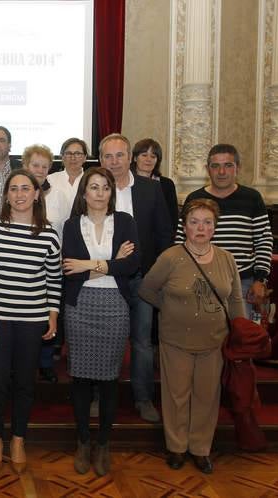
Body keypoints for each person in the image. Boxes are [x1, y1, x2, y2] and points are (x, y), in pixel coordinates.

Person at [139, 198, 244, 474]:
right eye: (194, 222)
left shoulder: (226, 259)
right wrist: (171, 309)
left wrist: (240, 329)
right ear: (184, 226)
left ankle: (200, 449)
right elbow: (147, 289)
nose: (201, 227)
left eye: (207, 222)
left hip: (214, 341)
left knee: (207, 397)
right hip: (176, 341)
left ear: (214, 227)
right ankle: (176, 447)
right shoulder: (170, 257)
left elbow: (234, 298)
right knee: (177, 395)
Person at [0, 170, 61, 474]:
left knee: (25, 383)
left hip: (32, 320)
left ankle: (18, 440)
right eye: (14, 189)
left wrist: (52, 316)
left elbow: (54, 280)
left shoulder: (49, 234)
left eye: (26, 188)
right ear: (6, 194)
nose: (20, 194)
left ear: (37, 194)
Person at [62, 167, 139, 476]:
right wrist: (111, 263)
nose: (99, 193)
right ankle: (82, 441)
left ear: (112, 192)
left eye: (105, 187)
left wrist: (91, 265)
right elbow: (70, 268)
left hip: (115, 305)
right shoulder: (70, 225)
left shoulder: (125, 222)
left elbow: (132, 265)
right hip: (80, 306)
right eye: (93, 187)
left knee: (109, 380)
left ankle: (104, 443)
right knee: (80, 379)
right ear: (84, 193)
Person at [100, 133, 172, 422]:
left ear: (130, 157)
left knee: (142, 341)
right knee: (105, 339)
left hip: (143, 278)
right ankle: (101, 396)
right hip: (106, 279)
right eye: (108, 156)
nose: (114, 162)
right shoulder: (95, 189)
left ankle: (143, 399)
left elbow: (165, 234)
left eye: (120, 155)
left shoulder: (150, 190)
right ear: (101, 160)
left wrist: (160, 274)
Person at [178, 144, 273, 321]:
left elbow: (264, 240)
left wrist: (261, 280)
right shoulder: (194, 198)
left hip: (243, 283)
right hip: (200, 282)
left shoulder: (252, 198)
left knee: (241, 339)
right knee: (205, 338)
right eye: (215, 166)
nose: (222, 171)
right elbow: (180, 242)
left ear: (238, 168)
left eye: (228, 165)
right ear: (208, 169)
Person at [22, 144, 68, 384]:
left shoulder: (58, 194)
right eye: (35, 165)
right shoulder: (17, 192)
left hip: (50, 265)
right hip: (21, 266)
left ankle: (46, 363)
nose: (40, 170)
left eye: (44, 166)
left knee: (48, 316)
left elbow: (65, 229)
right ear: (25, 166)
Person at [131, 138, 179, 238]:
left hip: (158, 241)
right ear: (135, 158)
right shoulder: (126, 182)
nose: (148, 159)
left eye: (153, 156)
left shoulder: (167, 185)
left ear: (157, 160)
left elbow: (173, 219)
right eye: (144, 155)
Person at [47, 137, 89, 222]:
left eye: (78, 153)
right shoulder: (50, 180)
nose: (73, 158)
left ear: (85, 157)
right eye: (68, 153)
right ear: (62, 157)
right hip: (55, 231)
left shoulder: (91, 181)